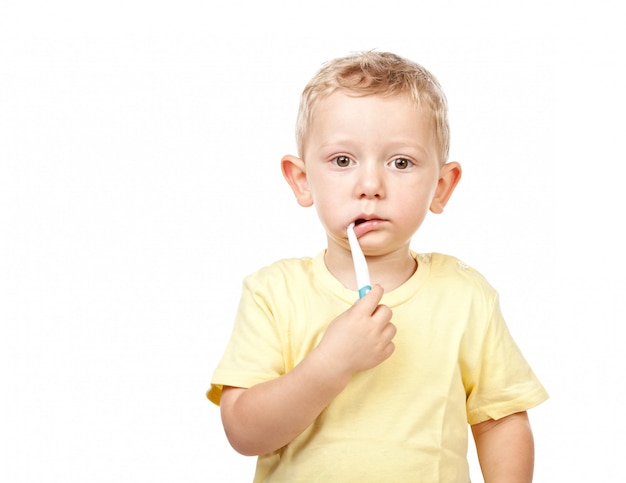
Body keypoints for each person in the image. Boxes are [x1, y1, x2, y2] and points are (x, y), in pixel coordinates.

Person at [207, 51, 548, 482]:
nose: (370, 186)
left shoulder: (466, 295)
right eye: (343, 161)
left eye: (400, 163)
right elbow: (243, 432)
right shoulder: (272, 293)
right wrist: (330, 364)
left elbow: (500, 421)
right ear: (301, 179)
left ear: (441, 187)